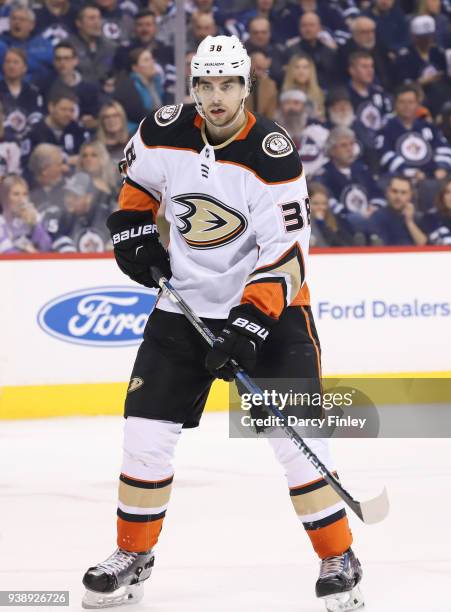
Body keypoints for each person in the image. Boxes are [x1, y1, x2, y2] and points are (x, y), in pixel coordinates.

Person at [81, 34, 364, 612]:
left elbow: (286, 255)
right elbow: (140, 187)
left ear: (246, 86)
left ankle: (338, 555)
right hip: (182, 307)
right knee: (144, 437)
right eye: (205, 86)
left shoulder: (273, 154)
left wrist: (248, 324)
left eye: (228, 85)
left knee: (297, 442)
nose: (215, 97)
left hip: (273, 312)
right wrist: (133, 231)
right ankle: (133, 552)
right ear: (192, 89)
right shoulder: (162, 129)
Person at [378, 84, 451, 181]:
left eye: (411, 102)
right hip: (401, 179)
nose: (406, 106)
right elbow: (385, 154)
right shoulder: (387, 128)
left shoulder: (428, 127)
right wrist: (409, 172)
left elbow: (445, 148)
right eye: (402, 102)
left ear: (418, 104)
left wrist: (442, 167)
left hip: (432, 177)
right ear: (395, 105)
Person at [41, 171, 112, 252]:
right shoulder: (60, 217)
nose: (69, 200)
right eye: (67, 195)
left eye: (75, 196)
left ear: (89, 198)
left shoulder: (106, 216)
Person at [113, 48, 165, 132]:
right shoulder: (128, 86)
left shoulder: (156, 82)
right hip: (136, 131)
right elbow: (137, 113)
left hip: (157, 126)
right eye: (146, 60)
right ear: (135, 67)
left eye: (152, 59)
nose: (152, 62)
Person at [368, 175, 427, 245]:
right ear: (387, 192)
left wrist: (409, 222)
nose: (398, 196)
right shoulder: (377, 218)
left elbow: (424, 246)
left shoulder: (418, 218)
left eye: (403, 193)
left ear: (410, 195)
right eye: (394, 191)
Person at [0, 175, 52, 253]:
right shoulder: (1, 222)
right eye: (16, 194)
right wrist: (29, 251)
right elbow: (8, 253)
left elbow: (47, 247)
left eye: (25, 194)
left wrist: (34, 225)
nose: (22, 200)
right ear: (4, 197)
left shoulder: (34, 217)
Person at [307, 181, 357, 247]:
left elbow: (343, 244)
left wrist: (323, 224)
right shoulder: (306, 224)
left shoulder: (336, 220)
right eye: (316, 203)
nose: (321, 207)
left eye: (324, 204)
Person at [282, 53, 325, 119]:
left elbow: (321, 117)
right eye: (297, 67)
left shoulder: (319, 93)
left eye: (305, 67)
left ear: (311, 70)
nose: (301, 71)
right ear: (291, 70)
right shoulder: (284, 93)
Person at [96, 101, 130, 166]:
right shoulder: (94, 144)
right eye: (106, 117)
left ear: (122, 118)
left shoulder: (133, 142)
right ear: (102, 121)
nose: (111, 120)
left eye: (115, 116)